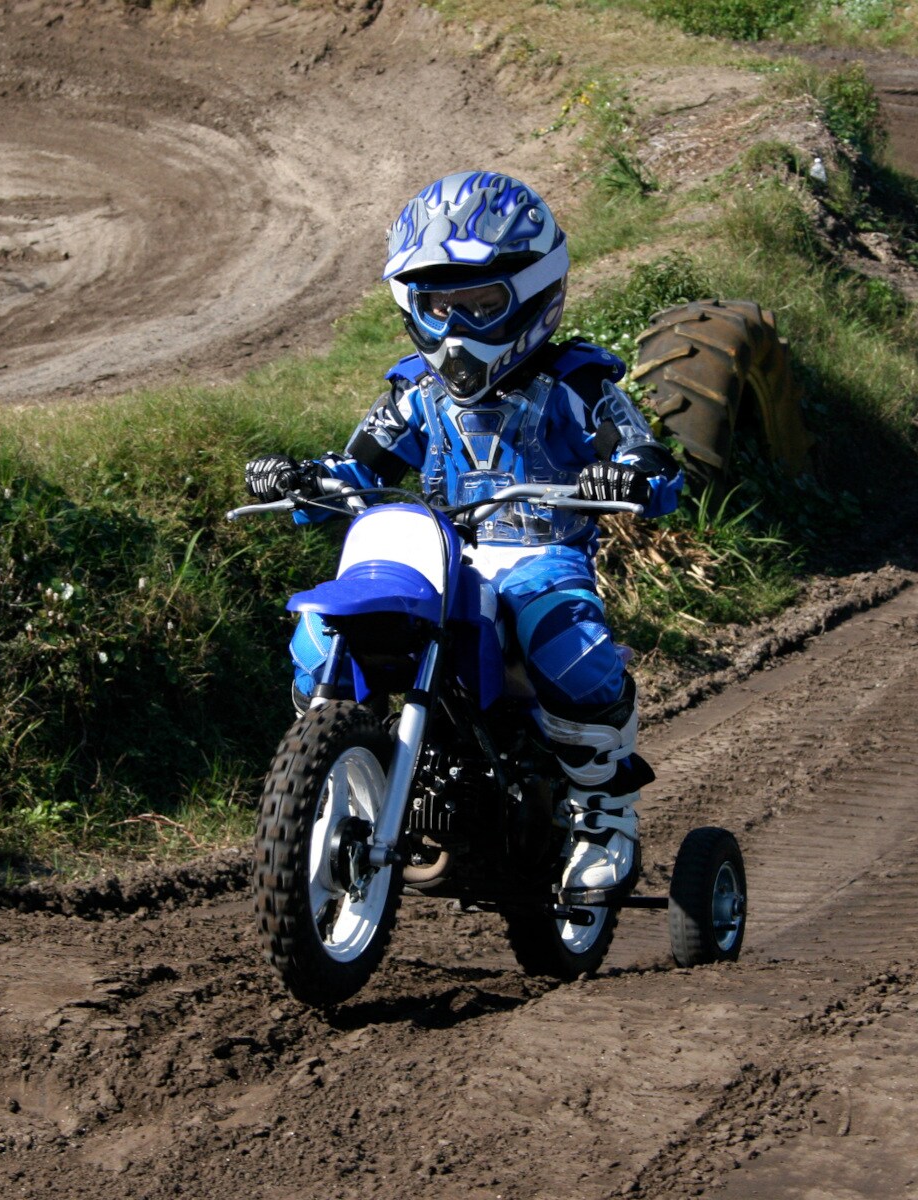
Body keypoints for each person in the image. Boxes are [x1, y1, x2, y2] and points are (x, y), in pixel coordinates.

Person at [242, 170, 683, 897]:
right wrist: (304, 481)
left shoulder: (575, 386)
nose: (457, 332)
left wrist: (631, 475)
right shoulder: (416, 393)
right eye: (438, 308)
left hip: (539, 554)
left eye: (481, 306)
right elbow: (358, 465)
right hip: (439, 555)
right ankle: (332, 772)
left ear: (535, 294)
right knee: (324, 626)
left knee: (563, 642)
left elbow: (642, 453)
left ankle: (606, 814)